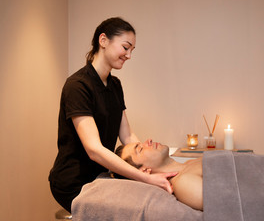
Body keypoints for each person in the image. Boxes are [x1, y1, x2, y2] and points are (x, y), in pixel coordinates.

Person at [49, 17, 177, 213]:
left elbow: (127, 137)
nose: (129, 55)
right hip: (73, 182)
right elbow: (94, 149)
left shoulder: (115, 85)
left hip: (101, 176)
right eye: (126, 47)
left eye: (132, 50)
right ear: (103, 40)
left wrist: (146, 164)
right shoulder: (78, 86)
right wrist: (144, 177)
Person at [115, 140, 264, 211]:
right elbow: (242, 205)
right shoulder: (183, 182)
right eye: (139, 149)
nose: (145, 142)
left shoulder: (189, 165)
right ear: (144, 171)